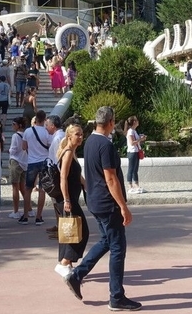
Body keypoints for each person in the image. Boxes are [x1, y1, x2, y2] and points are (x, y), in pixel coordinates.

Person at [63, 106, 141, 311]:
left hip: (95, 200)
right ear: (111, 123)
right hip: (108, 204)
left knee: (107, 241)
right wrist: (123, 206)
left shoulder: (89, 141)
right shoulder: (105, 145)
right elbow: (110, 177)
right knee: (117, 248)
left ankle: (77, 275)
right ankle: (116, 297)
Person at [55, 123, 89, 277]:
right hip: (68, 199)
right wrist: (67, 199)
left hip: (71, 197)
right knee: (81, 230)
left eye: (81, 134)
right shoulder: (68, 152)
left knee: (68, 230)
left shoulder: (71, 152)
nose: (80, 137)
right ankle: (64, 262)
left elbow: (77, 177)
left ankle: (65, 263)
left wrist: (87, 185)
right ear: (69, 136)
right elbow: (63, 178)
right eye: (77, 134)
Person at [20, 111, 52, 226]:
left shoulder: (28, 131)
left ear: (35, 119)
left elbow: (24, 147)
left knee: (28, 189)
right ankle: (39, 217)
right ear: (44, 119)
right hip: (44, 161)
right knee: (42, 190)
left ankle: (25, 216)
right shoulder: (47, 132)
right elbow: (50, 146)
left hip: (32, 162)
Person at [7, 117, 28, 219]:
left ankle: (16, 211)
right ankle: (29, 209)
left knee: (15, 187)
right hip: (24, 162)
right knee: (23, 187)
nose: (12, 126)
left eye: (14, 124)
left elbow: (13, 150)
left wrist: (9, 151)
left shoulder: (15, 136)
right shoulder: (26, 135)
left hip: (16, 161)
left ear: (18, 125)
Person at [124, 116, 146, 194]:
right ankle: (130, 186)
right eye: (136, 120)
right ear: (134, 122)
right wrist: (141, 139)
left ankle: (136, 185)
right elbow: (132, 143)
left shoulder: (134, 131)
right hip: (132, 152)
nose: (138, 121)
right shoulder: (130, 131)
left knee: (135, 170)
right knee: (131, 169)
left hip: (136, 152)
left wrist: (140, 137)